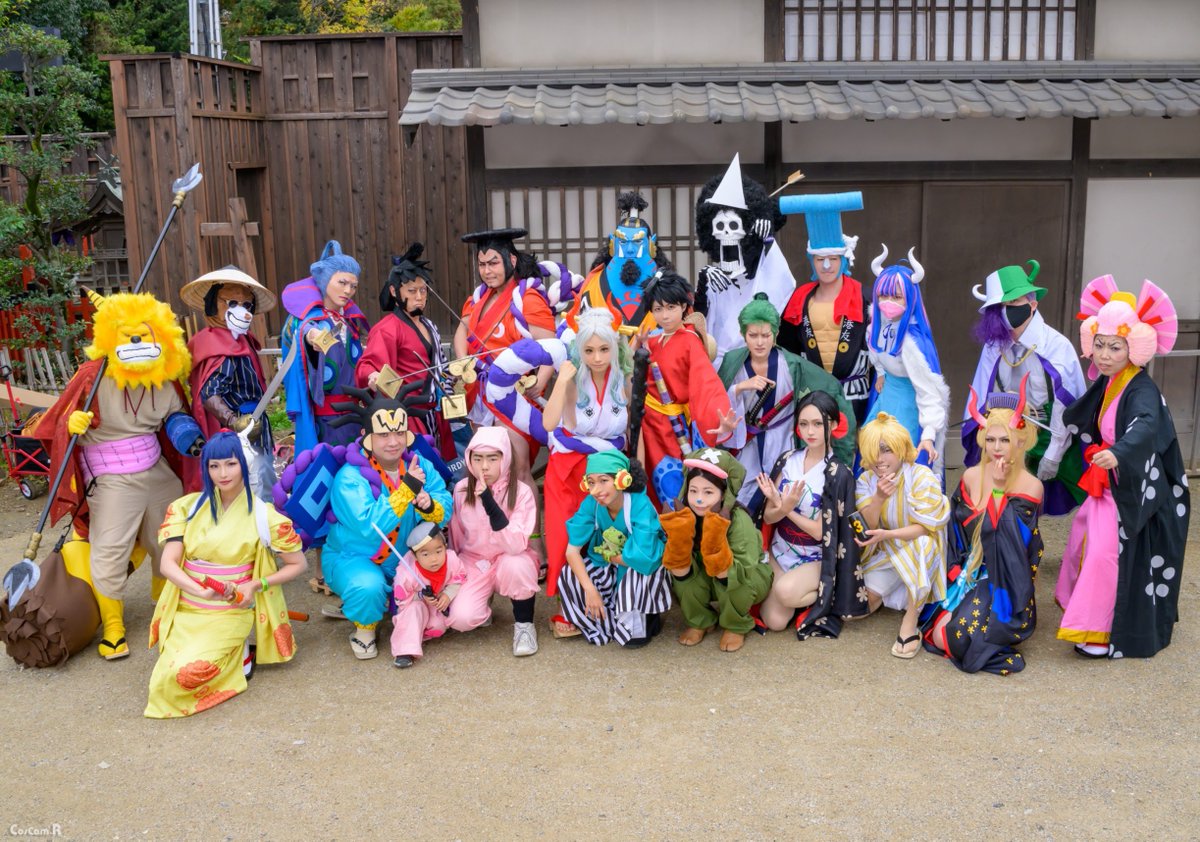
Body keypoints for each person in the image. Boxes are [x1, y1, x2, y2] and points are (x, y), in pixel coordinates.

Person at [32, 290, 203, 660]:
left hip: (157, 471)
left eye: (145, 332)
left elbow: (175, 414)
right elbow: (54, 423)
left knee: (171, 537)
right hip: (110, 477)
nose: (138, 340)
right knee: (109, 550)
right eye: (128, 334)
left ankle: (165, 604)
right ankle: (113, 625)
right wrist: (70, 423)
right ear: (110, 337)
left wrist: (185, 430)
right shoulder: (92, 376)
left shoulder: (163, 373)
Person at [1056, 276, 1189, 659]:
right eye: (1099, 344)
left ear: (1134, 349)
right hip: (1112, 481)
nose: (1104, 355)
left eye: (1115, 347)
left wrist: (1120, 452)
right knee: (1083, 538)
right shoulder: (1113, 380)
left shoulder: (1141, 389)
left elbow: (1145, 425)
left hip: (1134, 486)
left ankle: (1099, 632)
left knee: (1104, 553)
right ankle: (1085, 615)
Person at [145, 432, 306, 718]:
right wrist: (199, 591)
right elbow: (168, 564)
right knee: (166, 678)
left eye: (231, 464)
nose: (222, 474)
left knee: (185, 675)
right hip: (188, 608)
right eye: (214, 466)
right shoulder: (187, 508)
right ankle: (234, 655)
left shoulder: (265, 517)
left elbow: (298, 564)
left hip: (230, 610)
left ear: (245, 464)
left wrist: (256, 584)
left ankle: (239, 653)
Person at [320, 387, 452, 660]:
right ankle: (364, 629)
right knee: (368, 587)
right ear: (366, 436)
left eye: (399, 433)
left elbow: (445, 504)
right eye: (383, 434)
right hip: (354, 557)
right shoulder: (350, 476)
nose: (393, 442)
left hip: (405, 558)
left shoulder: (419, 464)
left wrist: (429, 505)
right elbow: (369, 526)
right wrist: (407, 491)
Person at [922, 382, 1043, 675]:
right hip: (963, 573)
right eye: (990, 440)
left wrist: (999, 491)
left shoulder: (1032, 486)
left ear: (1021, 441)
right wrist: (954, 571)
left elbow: (1009, 545)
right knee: (933, 630)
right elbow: (953, 534)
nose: (996, 448)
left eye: (1005, 440)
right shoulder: (971, 475)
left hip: (1000, 580)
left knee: (954, 640)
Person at [965, 260, 1088, 516]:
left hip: (1050, 431)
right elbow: (983, 393)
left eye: (1013, 303)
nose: (1006, 311)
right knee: (1001, 494)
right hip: (1007, 432)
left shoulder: (1057, 346)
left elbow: (1068, 404)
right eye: (1000, 306)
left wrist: (1054, 453)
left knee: (1042, 495)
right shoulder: (993, 346)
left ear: (1033, 305)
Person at [541, 308, 632, 637]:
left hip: (609, 467)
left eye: (604, 349)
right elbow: (549, 424)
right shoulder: (573, 379)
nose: (597, 358)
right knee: (566, 535)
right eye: (589, 350)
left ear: (614, 347)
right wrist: (561, 380)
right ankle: (567, 608)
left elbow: (630, 427)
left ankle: (610, 600)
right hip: (571, 468)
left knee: (609, 534)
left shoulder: (624, 378)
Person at [718, 293, 855, 507]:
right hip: (746, 445)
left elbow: (831, 388)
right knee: (741, 499)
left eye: (766, 335)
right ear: (743, 334)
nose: (760, 342)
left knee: (783, 496)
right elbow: (716, 400)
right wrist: (739, 388)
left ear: (776, 333)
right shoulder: (732, 362)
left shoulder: (793, 366)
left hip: (782, 440)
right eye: (753, 335)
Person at [754, 392, 866, 638]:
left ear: (833, 425)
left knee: (785, 592)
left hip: (814, 557)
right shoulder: (787, 460)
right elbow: (769, 517)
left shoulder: (838, 473)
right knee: (775, 622)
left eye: (817, 423)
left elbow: (818, 531)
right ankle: (794, 592)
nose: (810, 431)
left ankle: (828, 593)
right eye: (804, 424)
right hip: (780, 549)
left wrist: (787, 508)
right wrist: (781, 507)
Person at [854, 413, 950, 659]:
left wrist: (888, 533)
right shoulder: (866, 480)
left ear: (901, 448)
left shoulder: (921, 476)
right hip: (885, 551)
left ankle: (911, 620)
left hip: (919, 552)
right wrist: (878, 498)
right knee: (857, 609)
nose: (879, 459)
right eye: (873, 451)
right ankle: (894, 591)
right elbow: (868, 525)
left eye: (886, 450)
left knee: (924, 543)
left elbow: (926, 528)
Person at [638, 270, 736, 508]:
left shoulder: (690, 340)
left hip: (674, 426)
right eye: (658, 309)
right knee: (649, 480)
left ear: (684, 306)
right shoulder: (652, 341)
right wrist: (637, 349)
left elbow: (706, 383)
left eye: (671, 307)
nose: (665, 315)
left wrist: (719, 419)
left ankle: (680, 526)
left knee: (673, 483)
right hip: (649, 424)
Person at [658, 447, 772, 652]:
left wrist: (715, 542)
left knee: (733, 579)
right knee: (680, 569)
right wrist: (678, 543)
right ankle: (700, 620)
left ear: (723, 494)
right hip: (708, 574)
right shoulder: (686, 517)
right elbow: (679, 567)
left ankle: (735, 625)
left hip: (746, 575)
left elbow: (744, 569)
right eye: (693, 491)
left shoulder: (739, 520)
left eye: (708, 492)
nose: (699, 499)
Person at [181, 266, 277, 498]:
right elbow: (209, 394)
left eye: (247, 305)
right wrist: (235, 421)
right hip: (238, 432)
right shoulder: (218, 346)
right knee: (252, 484)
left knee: (262, 480)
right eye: (232, 303)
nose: (243, 311)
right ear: (214, 305)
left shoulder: (242, 340)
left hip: (255, 423)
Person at [558, 451, 670, 647]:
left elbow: (645, 556)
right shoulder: (592, 504)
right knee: (569, 574)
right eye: (591, 482)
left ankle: (643, 619)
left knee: (636, 575)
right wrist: (589, 589)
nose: (595, 490)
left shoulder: (640, 504)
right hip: (608, 562)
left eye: (603, 481)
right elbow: (571, 551)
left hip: (640, 567)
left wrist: (611, 557)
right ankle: (606, 625)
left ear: (622, 479)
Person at [777, 191, 872, 422]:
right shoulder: (798, 299)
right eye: (820, 259)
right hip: (812, 392)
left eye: (833, 259)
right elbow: (786, 348)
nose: (826, 266)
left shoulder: (865, 297)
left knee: (855, 442)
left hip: (855, 393)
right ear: (812, 261)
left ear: (843, 260)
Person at [357, 243, 455, 461]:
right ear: (394, 292)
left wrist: (454, 374)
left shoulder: (429, 324)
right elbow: (367, 365)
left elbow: (441, 366)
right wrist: (373, 375)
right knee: (416, 467)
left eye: (423, 290)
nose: (419, 296)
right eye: (412, 291)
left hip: (436, 411)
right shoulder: (387, 329)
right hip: (409, 415)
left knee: (437, 469)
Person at [449, 427, 541, 657]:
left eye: (492, 458)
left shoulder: (521, 492)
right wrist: (454, 573)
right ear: (469, 459)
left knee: (517, 565)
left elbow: (516, 545)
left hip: (508, 557)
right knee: (461, 619)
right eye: (477, 458)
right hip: (474, 562)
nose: (484, 466)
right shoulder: (461, 489)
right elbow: (456, 535)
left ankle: (524, 625)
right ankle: (483, 603)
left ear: (506, 458)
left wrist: (489, 502)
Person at [693, 154, 794, 365]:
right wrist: (703, 285)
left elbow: (782, 282)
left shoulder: (761, 277)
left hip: (755, 361)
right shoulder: (712, 279)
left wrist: (767, 240)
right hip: (719, 365)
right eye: (720, 226)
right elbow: (698, 325)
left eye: (733, 226)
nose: (726, 233)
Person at [863, 245, 949, 475]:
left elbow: (929, 392)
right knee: (873, 457)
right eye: (883, 295)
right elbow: (875, 351)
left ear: (909, 298)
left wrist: (929, 434)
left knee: (899, 464)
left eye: (897, 296)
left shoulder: (911, 342)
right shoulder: (876, 325)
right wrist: (881, 373)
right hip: (884, 399)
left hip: (908, 407)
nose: (888, 301)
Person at [280, 239, 370, 453]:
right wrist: (311, 336)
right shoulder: (306, 319)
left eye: (353, 286)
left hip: (355, 415)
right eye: (342, 283)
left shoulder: (349, 321)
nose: (348, 290)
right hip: (325, 420)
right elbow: (303, 332)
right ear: (324, 279)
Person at [565, 191, 670, 333]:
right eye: (623, 242)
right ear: (613, 244)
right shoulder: (593, 283)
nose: (630, 250)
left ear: (651, 244)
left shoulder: (669, 284)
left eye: (638, 242)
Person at [388, 522, 484, 669]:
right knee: (415, 611)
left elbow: (459, 577)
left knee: (437, 626)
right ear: (414, 555)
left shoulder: (451, 559)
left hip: (436, 605)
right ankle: (404, 651)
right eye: (425, 554)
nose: (434, 559)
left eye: (439, 551)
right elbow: (401, 599)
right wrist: (421, 596)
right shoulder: (406, 573)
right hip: (413, 606)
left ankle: (415, 635)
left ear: (445, 547)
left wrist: (447, 594)